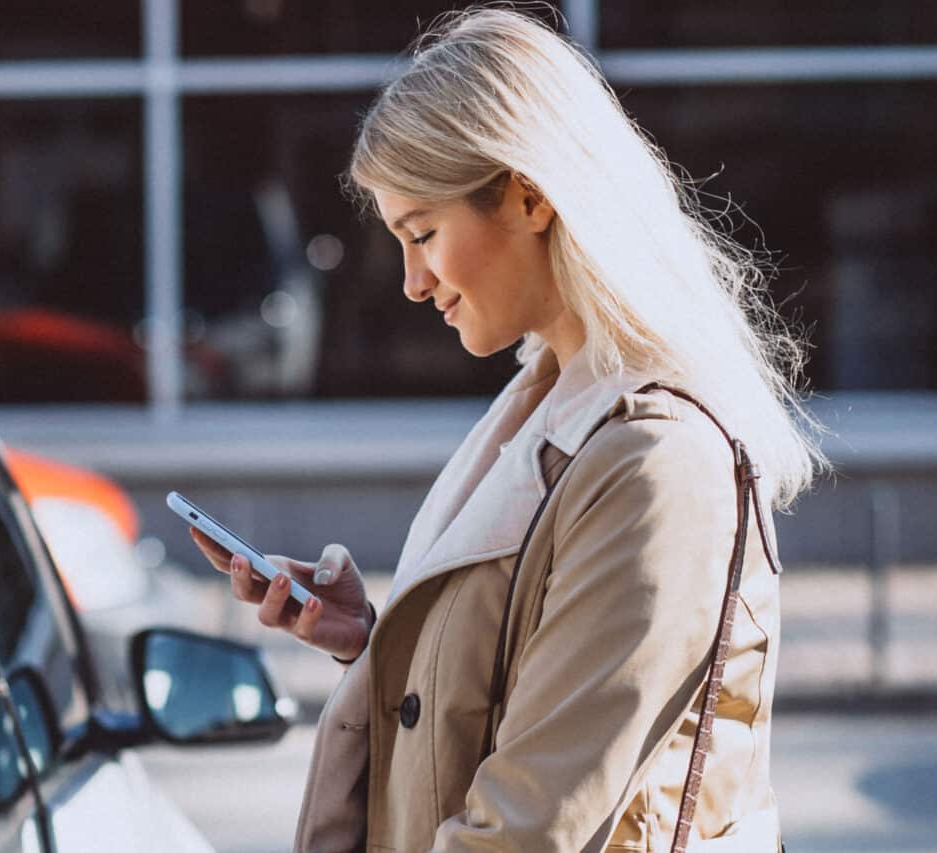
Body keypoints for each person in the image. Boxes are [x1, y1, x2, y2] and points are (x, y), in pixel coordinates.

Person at [190, 7, 823, 852]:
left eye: (422, 233)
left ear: (529, 195)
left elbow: (526, 829)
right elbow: (512, 704)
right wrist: (378, 649)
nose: (412, 282)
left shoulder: (656, 463)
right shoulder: (554, 405)